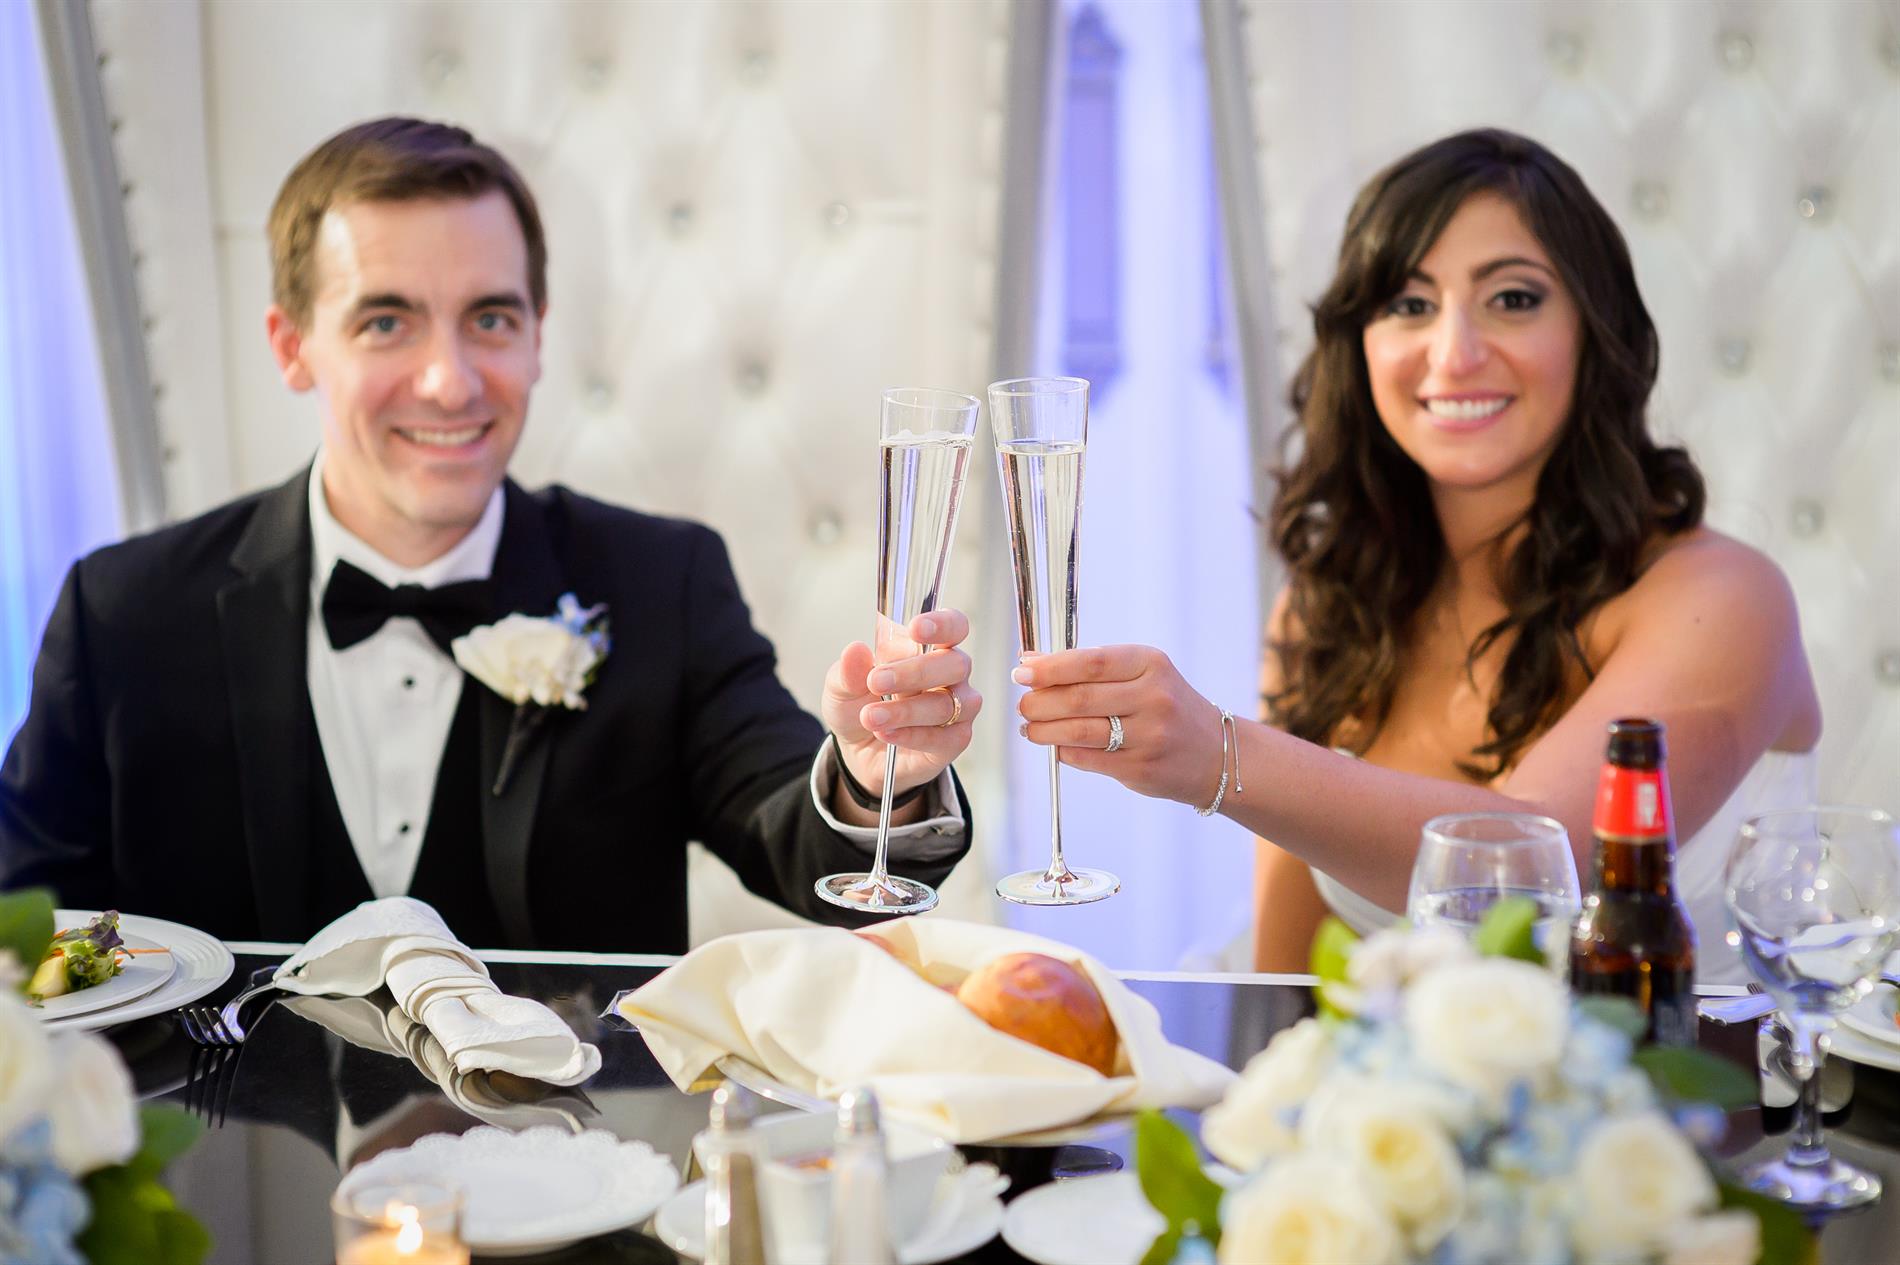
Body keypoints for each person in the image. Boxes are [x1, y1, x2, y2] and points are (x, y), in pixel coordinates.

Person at [0, 117, 981, 952]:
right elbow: (22, 934)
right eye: (387, 322)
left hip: (580, 1125)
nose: (450, 382)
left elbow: (794, 835)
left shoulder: (664, 581)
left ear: (538, 334)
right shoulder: (123, 613)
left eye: (491, 318)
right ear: (293, 346)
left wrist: (872, 780)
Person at [1012, 129, 1820, 983]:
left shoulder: (1726, 599)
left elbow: (1541, 869)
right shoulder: (1329, 607)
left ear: (1595, 331)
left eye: (1513, 298)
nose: (1455, 353)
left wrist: (1220, 755)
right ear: (1359, 344)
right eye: (1408, 303)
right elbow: (1290, 978)